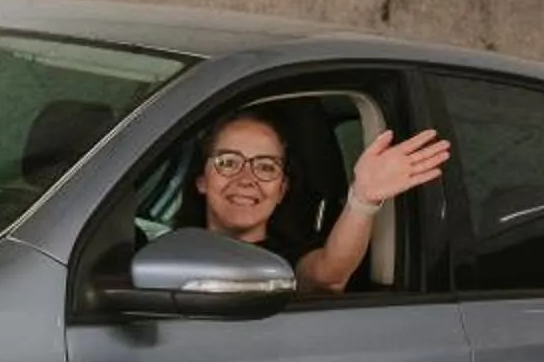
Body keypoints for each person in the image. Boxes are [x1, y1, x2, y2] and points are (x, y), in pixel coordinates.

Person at [193, 110, 451, 295]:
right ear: (202, 179)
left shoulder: (285, 262)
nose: (247, 179)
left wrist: (362, 199)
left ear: (281, 190)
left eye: (265, 167)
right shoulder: (164, 250)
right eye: (228, 162)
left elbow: (327, 277)